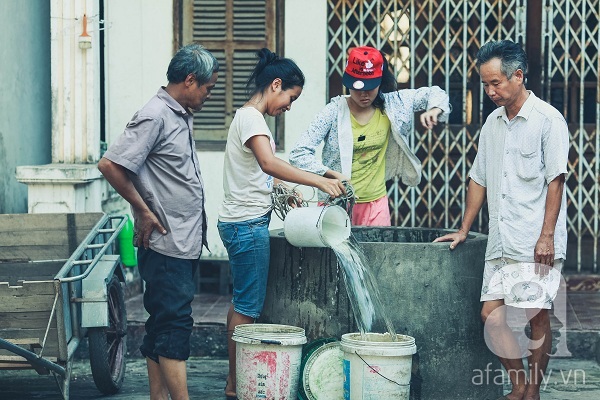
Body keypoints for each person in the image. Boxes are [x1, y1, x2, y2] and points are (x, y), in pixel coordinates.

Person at [434, 40, 569, 400]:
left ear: (518, 76)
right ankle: (519, 383)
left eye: (496, 83)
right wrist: (464, 228)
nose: (490, 92)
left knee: (535, 317)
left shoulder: (548, 120)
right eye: (485, 85)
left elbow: (556, 180)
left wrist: (547, 236)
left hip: (534, 238)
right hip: (501, 239)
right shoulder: (493, 124)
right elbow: (479, 178)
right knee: (491, 317)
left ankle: (533, 391)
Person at [218, 48, 345, 399]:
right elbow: (268, 163)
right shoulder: (252, 119)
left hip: (239, 222)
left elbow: (260, 173)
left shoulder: (248, 118)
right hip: (246, 226)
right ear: (276, 85)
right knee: (247, 309)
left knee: (241, 304)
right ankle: (236, 383)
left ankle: (233, 379)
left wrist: (284, 187)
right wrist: (317, 182)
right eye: (291, 97)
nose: (289, 106)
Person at [97, 43, 219, 400]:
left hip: (181, 241)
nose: (209, 95)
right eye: (208, 88)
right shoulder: (155, 114)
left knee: (161, 323)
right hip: (167, 244)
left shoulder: (178, 113)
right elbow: (111, 165)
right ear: (190, 79)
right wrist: (142, 209)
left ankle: (158, 397)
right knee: (175, 325)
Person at [289, 45, 451, 226]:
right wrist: (330, 174)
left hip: (376, 205)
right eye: (358, 88)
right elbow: (298, 153)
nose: (364, 94)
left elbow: (436, 93)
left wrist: (434, 109)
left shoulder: (394, 103)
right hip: (336, 205)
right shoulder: (333, 111)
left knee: (378, 253)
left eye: (371, 87)